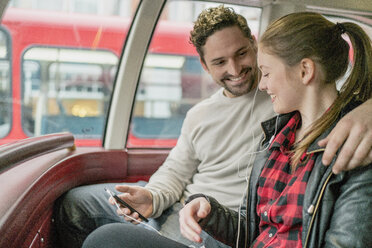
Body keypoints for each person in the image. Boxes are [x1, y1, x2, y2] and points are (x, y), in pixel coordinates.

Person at [59, 6, 372, 248]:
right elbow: (181, 175)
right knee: (77, 205)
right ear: (205, 66)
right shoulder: (280, 131)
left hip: (216, 235)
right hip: (203, 212)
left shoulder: (339, 133)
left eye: (247, 58)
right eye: (220, 62)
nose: (240, 72)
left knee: (109, 239)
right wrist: (169, 199)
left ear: (254, 44)